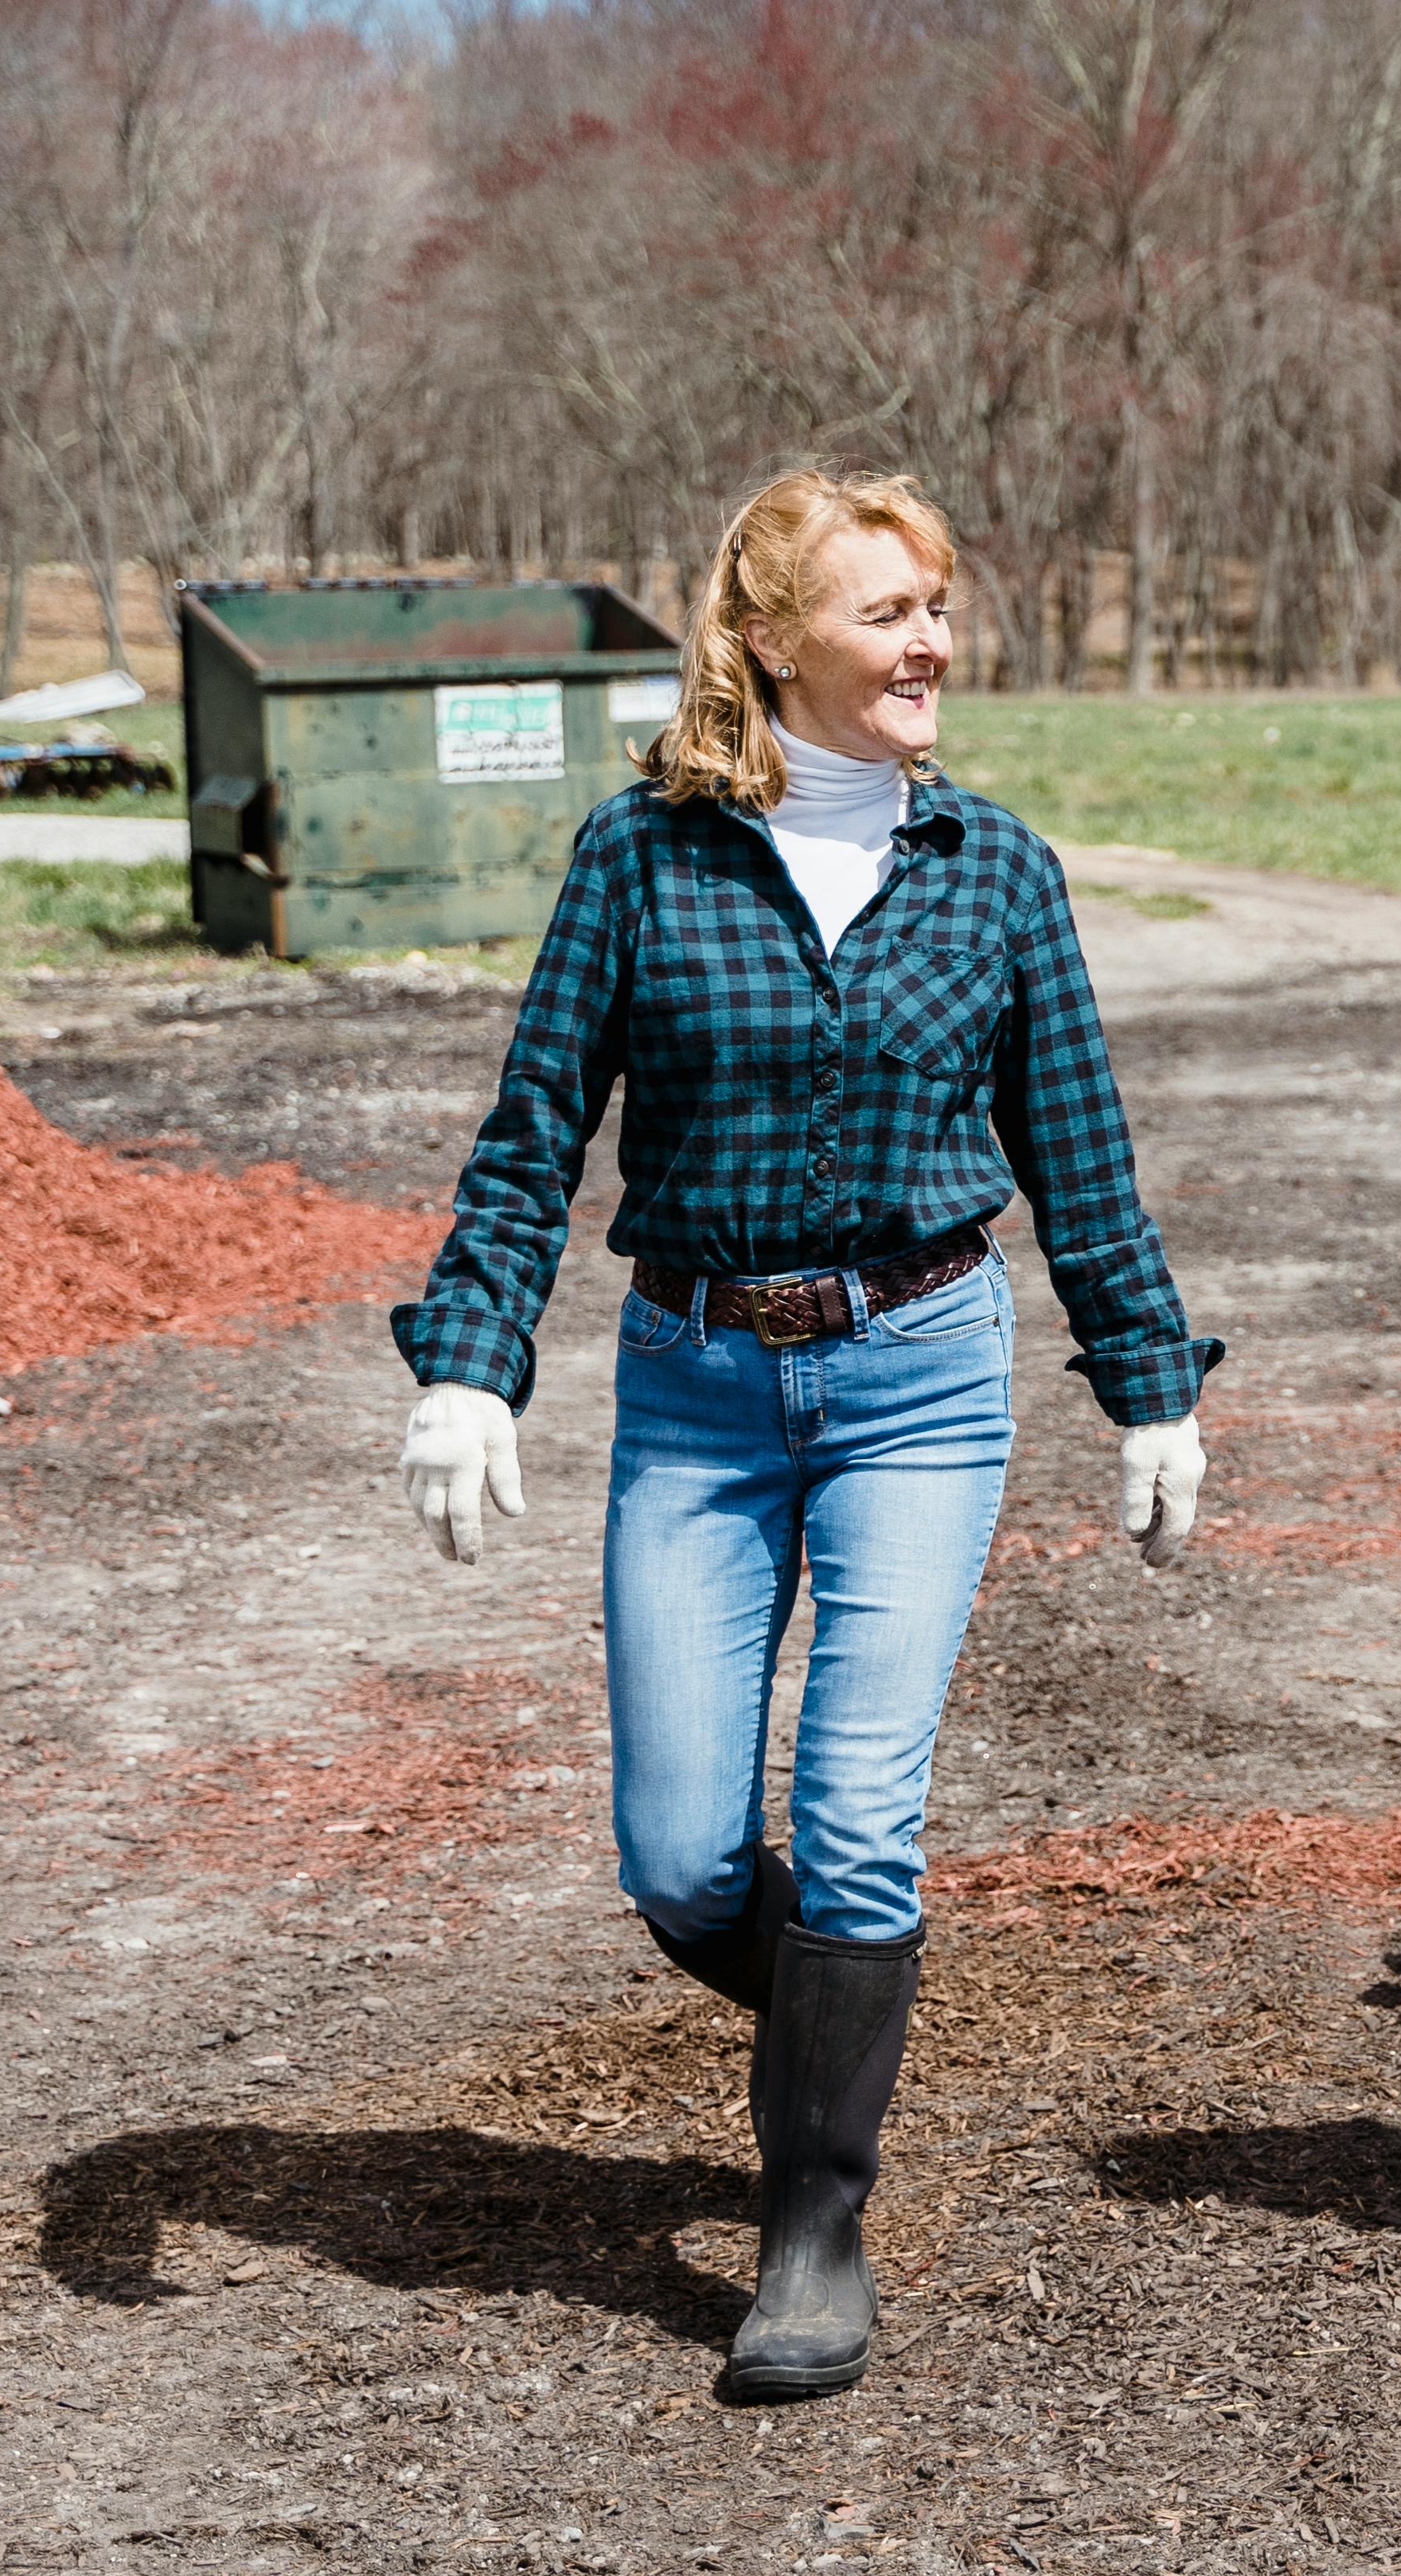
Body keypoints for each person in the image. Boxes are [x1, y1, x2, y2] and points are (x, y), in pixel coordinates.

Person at [388, 466, 1218, 2404]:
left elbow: (1079, 1147)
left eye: (938, 603)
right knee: (680, 1851)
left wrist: (1152, 1381)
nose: (932, 640)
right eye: (887, 610)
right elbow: (531, 1135)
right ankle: (846, 2014)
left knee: (857, 1813)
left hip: (922, 1374)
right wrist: (466, 1361)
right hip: (693, 1385)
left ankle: (813, 2221)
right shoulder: (637, 859)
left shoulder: (995, 869)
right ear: (769, 641)